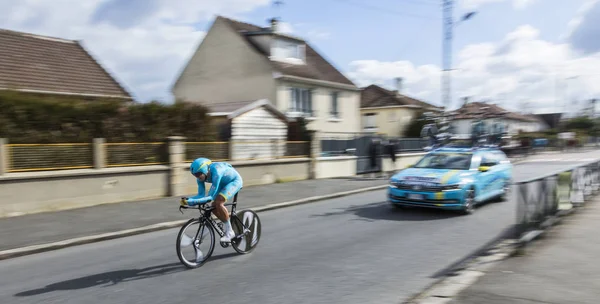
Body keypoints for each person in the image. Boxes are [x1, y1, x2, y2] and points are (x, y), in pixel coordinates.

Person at [180, 157, 243, 243]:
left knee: (219, 203)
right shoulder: (200, 177)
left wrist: (192, 202)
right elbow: (200, 195)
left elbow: (210, 197)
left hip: (234, 181)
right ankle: (227, 224)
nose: (197, 177)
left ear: (205, 170)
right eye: (194, 175)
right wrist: (188, 200)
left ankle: (230, 232)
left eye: (198, 174)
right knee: (213, 208)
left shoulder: (216, 172)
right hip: (222, 183)